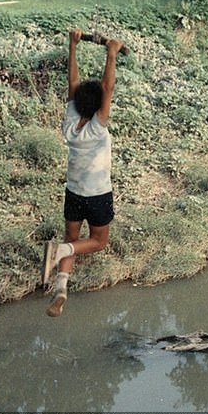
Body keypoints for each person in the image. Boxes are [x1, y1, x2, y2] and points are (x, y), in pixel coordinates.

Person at [41, 29, 124, 317]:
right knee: (97, 242)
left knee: (71, 238)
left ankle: (60, 290)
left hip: (73, 192)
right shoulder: (98, 127)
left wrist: (73, 45)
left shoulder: (70, 120)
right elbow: (108, 86)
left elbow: (73, 82)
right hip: (97, 194)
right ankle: (63, 252)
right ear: (99, 106)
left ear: (77, 104)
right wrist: (111, 52)